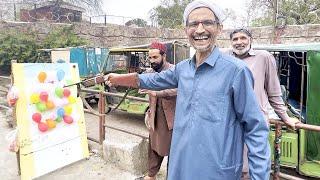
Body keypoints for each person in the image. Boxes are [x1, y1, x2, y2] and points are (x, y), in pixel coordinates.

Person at [104, 0, 271, 179]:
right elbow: (153, 79)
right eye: (193, 24)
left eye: (207, 23)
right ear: (186, 31)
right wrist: (119, 78)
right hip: (181, 166)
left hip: (216, 170)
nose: (200, 30)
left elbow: (256, 128)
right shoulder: (182, 69)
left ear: (219, 28)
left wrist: (259, 176)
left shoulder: (236, 71)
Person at [226, 28, 301, 178]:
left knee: (256, 163)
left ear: (250, 40)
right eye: (235, 39)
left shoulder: (263, 57)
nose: (239, 42)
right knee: (230, 162)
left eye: (243, 38)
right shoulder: (225, 57)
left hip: (255, 120)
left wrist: (285, 118)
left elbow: (274, 92)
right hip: (230, 120)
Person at [140, 42, 177, 180]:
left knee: (173, 151)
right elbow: (138, 84)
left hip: (172, 118)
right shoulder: (149, 72)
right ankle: (151, 175)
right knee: (153, 147)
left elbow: (182, 89)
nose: (152, 61)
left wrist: (159, 93)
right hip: (154, 115)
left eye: (155, 57)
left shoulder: (174, 70)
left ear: (164, 56)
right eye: (150, 58)